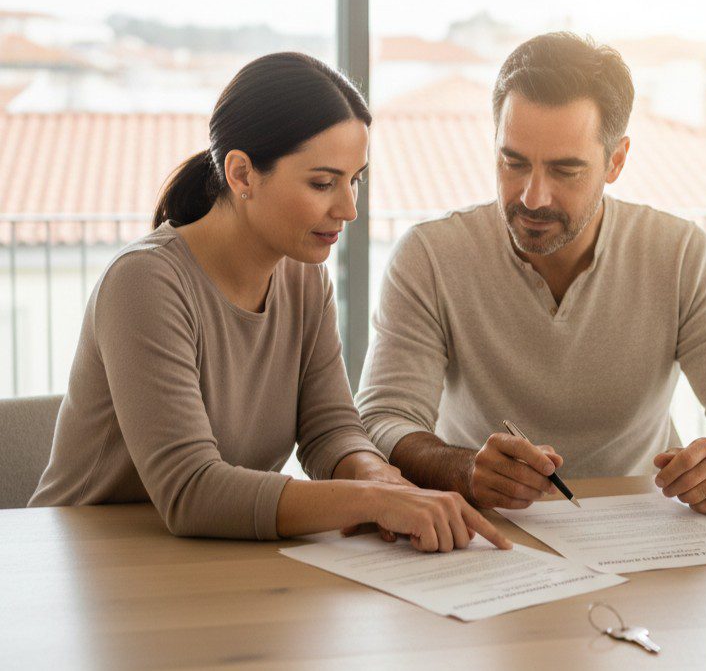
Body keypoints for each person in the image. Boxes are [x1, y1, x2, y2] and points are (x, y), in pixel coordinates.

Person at [29, 52, 510, 553]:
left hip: (210, 559)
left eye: (355, 180)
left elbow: (329, 430)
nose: (349, 209)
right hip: (80, 562)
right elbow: (191, 491)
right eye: (322, 183)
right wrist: (370, 500)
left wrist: (378, 478)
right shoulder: (144, 283)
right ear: (241, 174)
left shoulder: (305, 279)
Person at [356, 33, 706, 514]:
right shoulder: (429, 257)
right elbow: (382, 421)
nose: (532, 197)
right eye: (513, 162)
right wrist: (463, 470)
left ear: (616, 161)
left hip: (642, 527)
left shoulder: (679, 256)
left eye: (565, 171)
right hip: (486, 528)